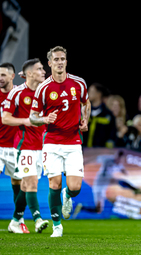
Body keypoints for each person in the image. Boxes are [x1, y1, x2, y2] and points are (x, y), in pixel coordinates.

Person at [29, 46, 91, 237]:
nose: (60, 62)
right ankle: (57, 225)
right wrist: (44, 119)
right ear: (49, 63)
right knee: (53, 183)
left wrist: (85, 119)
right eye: (56, 59)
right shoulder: (43, 88)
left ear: (66, 61)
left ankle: (67, 195)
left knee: (75, 188)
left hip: (73, 141)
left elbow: (86, 103)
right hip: (52, 142)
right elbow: (33, 117)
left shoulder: (78, 83)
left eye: (62, 59)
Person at [3, 58, 49, 233]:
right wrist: (26, 121)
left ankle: (15, 221)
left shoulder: (46, 92)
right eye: (39, 69)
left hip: (41, 146)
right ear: (29, 73)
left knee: (25, 185)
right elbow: (5, 118)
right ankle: (37, 219)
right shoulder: (17, 93)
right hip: (24, 145)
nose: (43, 72)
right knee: (31, 183)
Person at [0, 62, 29, 233]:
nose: (0, 78)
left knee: (20, 183)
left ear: (12, 76)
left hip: (16, 147)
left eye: (3, 75)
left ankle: (18, 220)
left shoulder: (20, 93)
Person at [83, 83, 116, 148]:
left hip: (100, 153)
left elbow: (111, 136)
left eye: (91, 91)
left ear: (99, 94)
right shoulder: (84, 112)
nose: (88, 94)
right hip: (83, 152)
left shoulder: (108, 115)